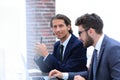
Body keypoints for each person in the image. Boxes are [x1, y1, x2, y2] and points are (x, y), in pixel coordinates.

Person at [49, 13, 120, 80]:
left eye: (80, 33)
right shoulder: (97, 49)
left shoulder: (113, 48)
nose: (79, 38)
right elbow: (89, 74)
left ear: (91, 32)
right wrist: (63, 75)